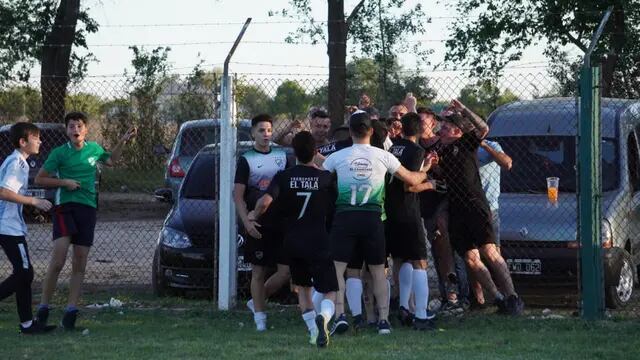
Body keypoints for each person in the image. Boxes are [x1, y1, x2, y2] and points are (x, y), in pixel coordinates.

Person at [321, 110, 434, 335]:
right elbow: (411, 179)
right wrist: (426, 171)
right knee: (377, 271)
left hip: (345, 217)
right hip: (372, 219)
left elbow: (320, 173)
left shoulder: (338, 156)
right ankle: (383, 320)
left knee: (339, 269)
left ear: (350, 131)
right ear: (371, 131)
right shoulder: (383, 155)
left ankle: (341, 315)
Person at [34, 112, 136, 330]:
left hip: (87, 209)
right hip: (64, 208)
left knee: (80, 261)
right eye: (71, 126)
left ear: (86, 130)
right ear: (66, 131)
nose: (75, 130)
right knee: (59, 260)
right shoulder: (59, 153)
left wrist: (123, 141)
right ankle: (43, 307)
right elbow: (40, 178)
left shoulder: (94, 149)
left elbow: (111, 160)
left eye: (79, 126)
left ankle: (71, 311)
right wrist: (65, 183)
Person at [248, 131, 338, 347]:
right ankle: (324, 317)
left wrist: (253, 214)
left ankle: (314, 331)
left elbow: (265, 202)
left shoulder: (283, 176)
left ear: (294, 153)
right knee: (330, 290)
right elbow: (335, 207)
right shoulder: (326, 179)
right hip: (318, 239)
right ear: (316, 152)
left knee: (303, 289)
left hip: (293, 241)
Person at [436, 100, 524, 315]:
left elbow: (483, 128)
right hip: (456, 211)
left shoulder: (466, 143)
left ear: (457, 132)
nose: (442, 130)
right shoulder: (440, 150)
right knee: (470, 257)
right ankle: (498, 298)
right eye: (442, 126)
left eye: (446, 127)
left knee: (490, 251)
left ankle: (513, 297)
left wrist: (464, 109)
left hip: (476, 205)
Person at [234, 113, 291, 331]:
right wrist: (247, 222)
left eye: (269, 130)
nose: (266, 135)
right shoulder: (246, 159)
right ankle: (260, 319)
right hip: (257, 224)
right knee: (258, 272)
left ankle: (255, 301)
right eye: (261, 130)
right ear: (253, 133)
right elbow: (237, 196)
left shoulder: (282, 155)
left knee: (285, 271)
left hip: (281, 222)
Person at [0, 123, 57, 334]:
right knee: (24, 273)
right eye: (36, 138)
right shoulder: (16, 162)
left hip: (11, 224)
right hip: (7, 225)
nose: (40, 141)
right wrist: (32, 202)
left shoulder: (20, 162)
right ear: (23, 142)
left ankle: (27, 324)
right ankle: (27, 323)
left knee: (24, 272)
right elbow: (4, 192)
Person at [386, 112, 438, 330]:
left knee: (401, 259)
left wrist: (424, 168)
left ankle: (404, 307)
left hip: (390, 211)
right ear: (418, 130)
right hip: (408, 211)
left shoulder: (392, 148)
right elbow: (410, 185)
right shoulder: (417, 150)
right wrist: (430, 183)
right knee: (419, 262)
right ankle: (421, 314)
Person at [413, 107, 467, 316]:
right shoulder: (413, 144)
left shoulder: (442, 143)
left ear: (433, 122)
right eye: (416, 120)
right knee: (436, 248)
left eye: (422, 119)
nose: (419, 123)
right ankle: (448, 295)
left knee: (447, 240)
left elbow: (450, 173)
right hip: (424, 203)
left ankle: (458, 294)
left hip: (446, 202)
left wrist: (434, 169)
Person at [470, 139, 512, 306]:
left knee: (493, 253)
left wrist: (484, 145)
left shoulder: (490, 146)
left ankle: (509, 296)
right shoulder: (456, 145)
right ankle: (478, 299)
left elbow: (507, 163)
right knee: (471, 256)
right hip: (467, 207)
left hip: (488, 209)